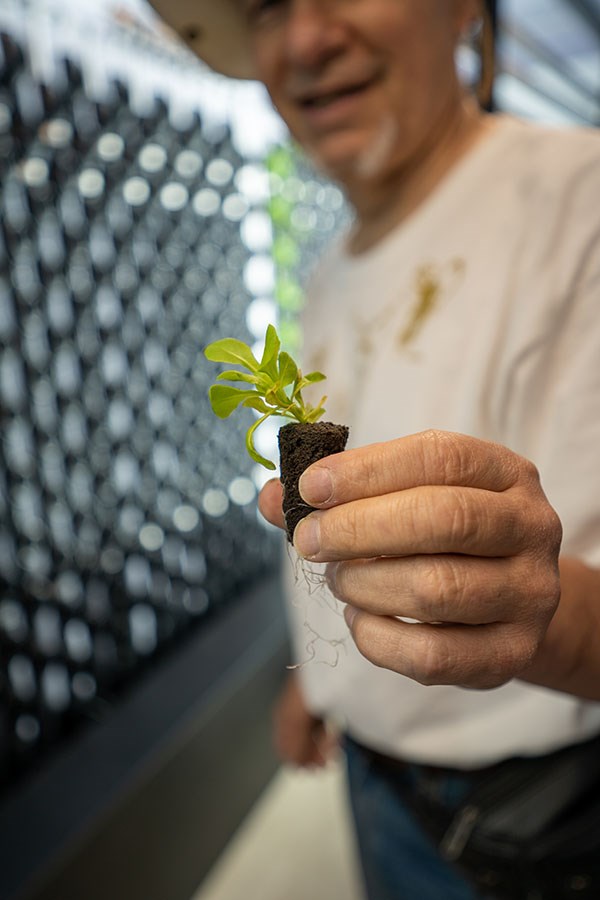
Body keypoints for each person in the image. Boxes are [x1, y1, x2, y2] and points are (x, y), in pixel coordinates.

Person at [150, 2, 600, 897]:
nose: (309, 39)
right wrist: (322, 689)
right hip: (375, 777)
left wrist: (533, 611)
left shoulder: (578, 204)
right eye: (268, 6)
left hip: (534, 824)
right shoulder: (329, 272)